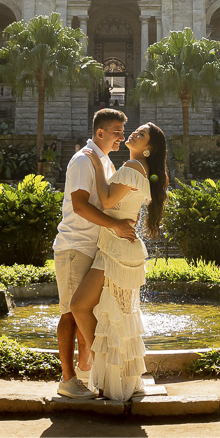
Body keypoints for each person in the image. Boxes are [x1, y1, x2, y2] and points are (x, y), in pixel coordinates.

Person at [70, 123, 170, 401]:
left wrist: (97, 163)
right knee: (118, 315)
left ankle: (104, 372)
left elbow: (105, 198)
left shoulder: (131, 167)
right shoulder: (142, 171)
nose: (133, 135)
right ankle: (114, 379)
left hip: (116, 248)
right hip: (120, 246)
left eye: (140, 135)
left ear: (148, 148)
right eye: (135, 131)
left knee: (83, 307)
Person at [52, 108, 136, 399]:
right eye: (117, 132)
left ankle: (86, 371)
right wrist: (115, 226)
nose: (121, 137)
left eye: (123, 132)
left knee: (89, 311)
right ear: (99, 132)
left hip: (95, 248)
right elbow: (80, 206)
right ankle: (67, 379)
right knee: (70, 314)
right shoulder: (82, 161)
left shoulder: (103, 162)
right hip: (75, 246)